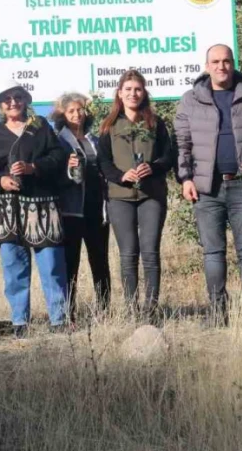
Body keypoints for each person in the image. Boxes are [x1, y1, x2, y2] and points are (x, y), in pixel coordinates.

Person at [175, 44, 242, 326]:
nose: (221, 66)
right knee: (213, 252)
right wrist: (185, 178)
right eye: (215, 62)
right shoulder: (190, 99)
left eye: (226, 61)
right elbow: (182, 143)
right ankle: (218, 313)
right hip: (207, 188)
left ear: (233, 63)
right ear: (206, 65)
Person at [0, 82, 67, 337]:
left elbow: (58, 158)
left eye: (18, 97)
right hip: (7, 208)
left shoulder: (41, 126)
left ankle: (59, 319)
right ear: (0, 105)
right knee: (13, 266)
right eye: (7, 99)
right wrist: (0, 180)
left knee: (51, 264)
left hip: (42, 204)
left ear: (25, 100)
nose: (13, 102)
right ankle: (20, 322)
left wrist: (33, 168)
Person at [98, 70, 174, 320]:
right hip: (120, 197)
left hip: (152, 195)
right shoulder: (109, 125)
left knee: (150, 252)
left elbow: (168, 157)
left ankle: (150, 310)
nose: (133, 93)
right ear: (120, 93)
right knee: (128, 253)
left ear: (144, 93)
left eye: (138, 89)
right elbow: (103, 163)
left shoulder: (156, 123)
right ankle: (131, 311)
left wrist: (153, 167)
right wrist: (121, 176)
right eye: (128, 89)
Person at [51, 91, 110, 318]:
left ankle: (104, 311)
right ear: (62, 114)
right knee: (70, 264)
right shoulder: (58, 141)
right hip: (71, 211)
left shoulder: (94, 139)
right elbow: (53, 174)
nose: (77, 115)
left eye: (80, 110)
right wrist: (67, 167)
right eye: (71, 111)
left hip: (97, 210)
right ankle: (69, 313)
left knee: (100, 262)